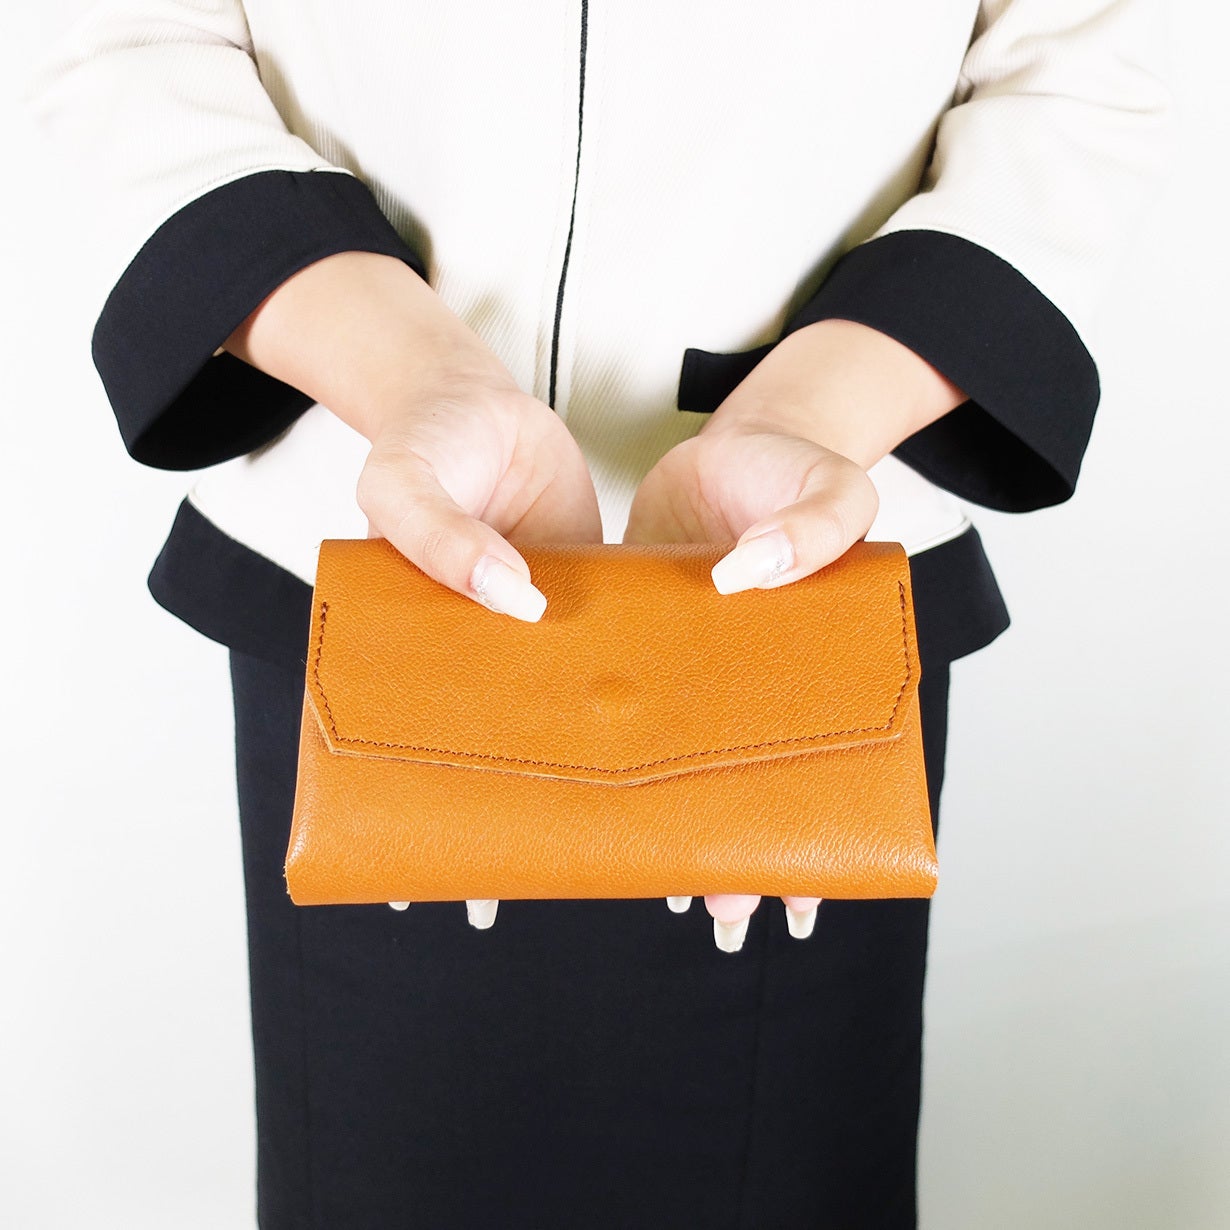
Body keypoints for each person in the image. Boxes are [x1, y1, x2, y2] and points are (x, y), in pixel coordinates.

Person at [20, 1, 1171, 1225]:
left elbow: (1076, 66)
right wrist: (407, 371)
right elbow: (132, 33)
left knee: (788, 1170)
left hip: (793, 587)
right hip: (392, 571)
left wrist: (816, 408)